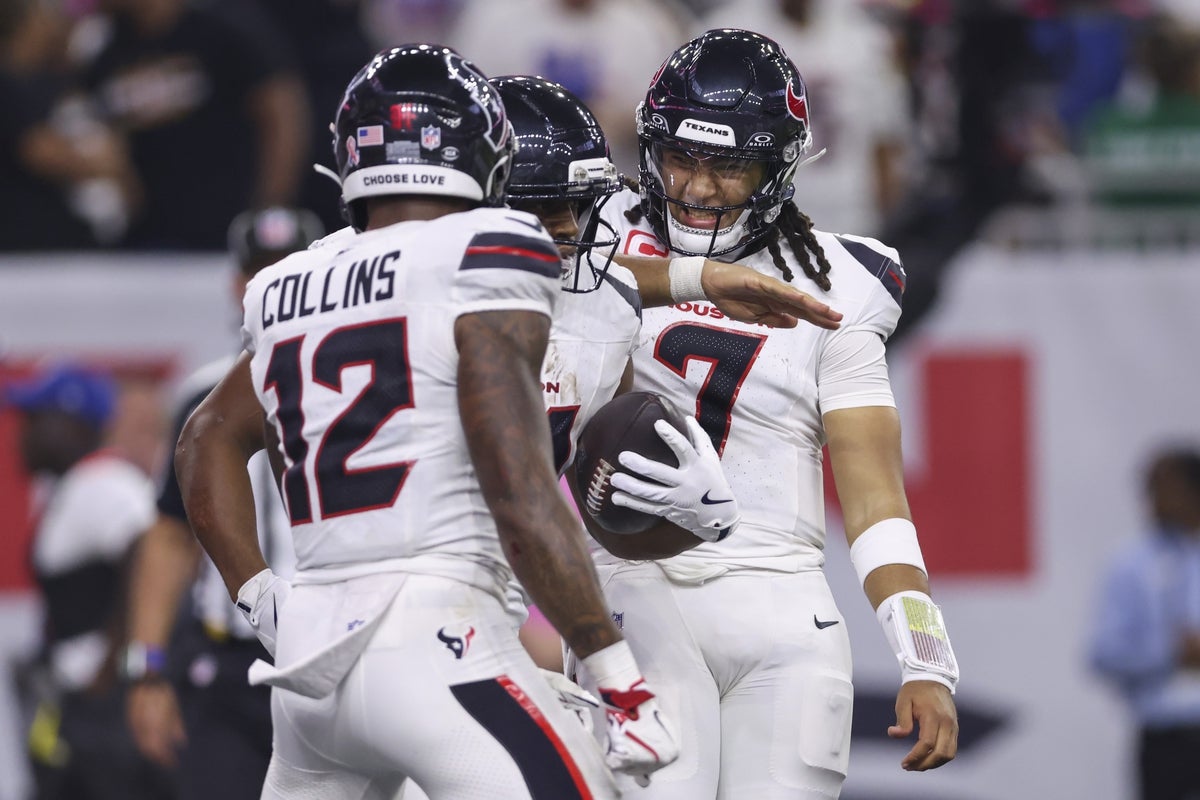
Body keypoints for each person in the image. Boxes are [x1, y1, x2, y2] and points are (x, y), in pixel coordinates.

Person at [174, 45, 679, 799]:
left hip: (309, 669)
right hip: (439, 640)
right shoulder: (484, 254)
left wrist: (259, 595)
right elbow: (516, 485)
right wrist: (616, 674)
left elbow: (204, 437)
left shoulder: (286, 284)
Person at [572, 29, 961, 798]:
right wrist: (694, 277)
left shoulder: (843, 281)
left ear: (778, 168)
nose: (698, 187)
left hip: (784, 607)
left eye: (729, 165)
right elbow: (530, 286)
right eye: (682, 157)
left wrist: (925, 657)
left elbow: (876, 495)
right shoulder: (596, 238)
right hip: (635, 590)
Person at [122, 207, 322, 799]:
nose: (275, 284)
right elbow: (168, 534)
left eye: (290, 269)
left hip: (333, 642)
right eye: (262, 272)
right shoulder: (204, 391)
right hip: (230, 661)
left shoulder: (373, 371)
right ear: (239, 285)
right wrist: (148, 670)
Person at [6, 363, 172, 800]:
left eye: (38, 420)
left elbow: (151, 553)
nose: (24, 433)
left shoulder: (102, 483)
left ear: (72, 426)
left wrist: (115, 657)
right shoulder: (79, 486)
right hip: (83, 707)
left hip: (109, 713)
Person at [81, 0, 309, 249]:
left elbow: (282, 113)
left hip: (227, 226)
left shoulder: (223, 28)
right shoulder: (106, 51)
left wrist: (271, 205)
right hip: (149, 235)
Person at [1090, 447, 1200, 800]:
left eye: (1163, 489)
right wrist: (1170, 653)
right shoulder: (1132, 563)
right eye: (1148, 489)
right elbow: (1104, 653)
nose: (1152, 501)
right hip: (1166, 738)